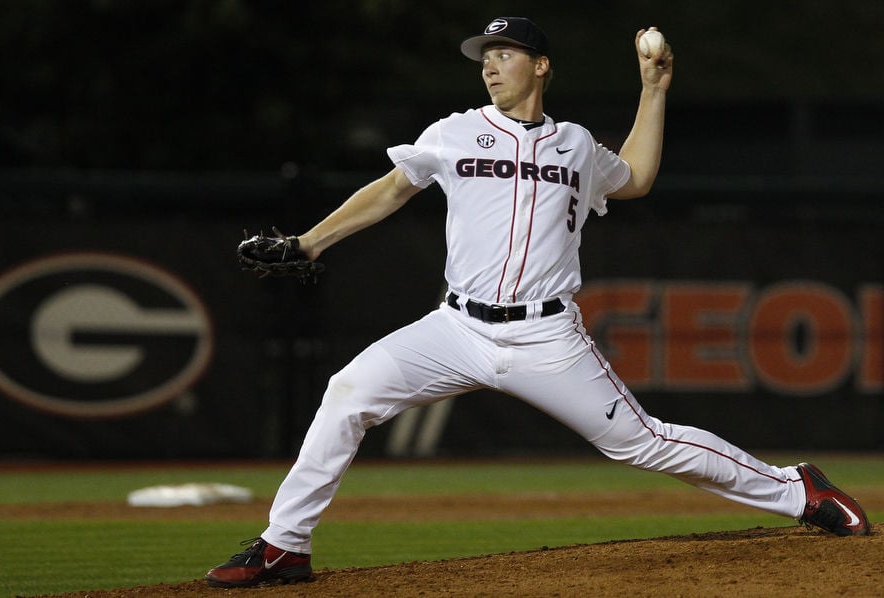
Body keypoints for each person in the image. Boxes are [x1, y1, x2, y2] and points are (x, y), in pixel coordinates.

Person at [205, 16, 870, 588]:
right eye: (484, 57)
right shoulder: (455, 132)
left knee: (642, 444)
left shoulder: (575, 145)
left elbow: (634, 178)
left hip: (547, 338)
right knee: (347, 394)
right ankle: (285, 544)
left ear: (540, 65)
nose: (490, 67)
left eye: (504, 55)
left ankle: (798, 489)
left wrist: (654, 89)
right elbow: (389, 190)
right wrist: (310, 242)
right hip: (457, 327)